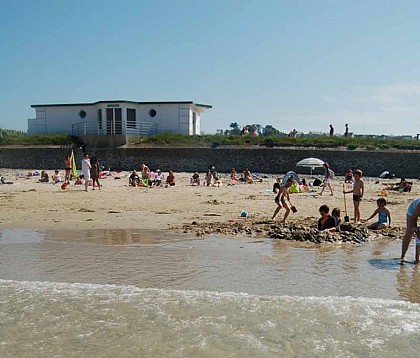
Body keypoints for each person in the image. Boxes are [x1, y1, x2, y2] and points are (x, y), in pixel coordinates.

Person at [401, 198, 420, 264]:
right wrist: (415, 229)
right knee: (409, 232)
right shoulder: (419, 206)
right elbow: (414, 217)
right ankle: (402, 256)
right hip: (413, 212)